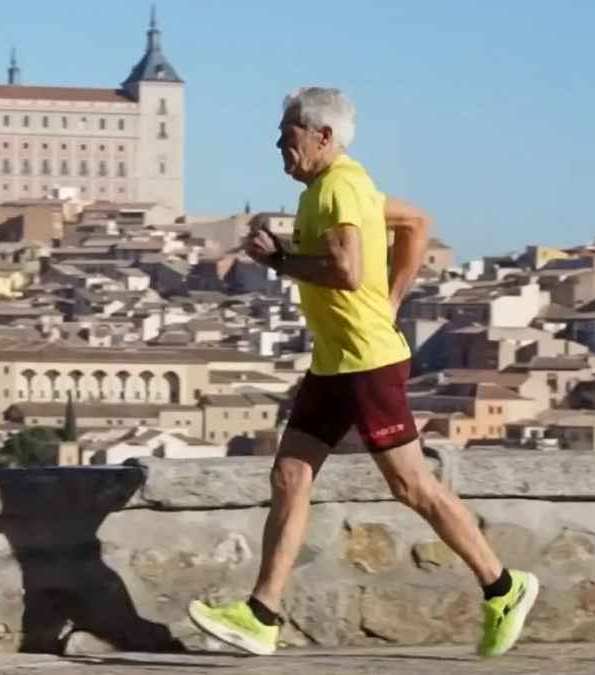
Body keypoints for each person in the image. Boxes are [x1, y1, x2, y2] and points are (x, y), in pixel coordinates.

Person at [187, 87, 538, 658]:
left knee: (411, 486)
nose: (278, 144)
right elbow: (417, 222)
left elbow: (347, 271)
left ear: (322, 136)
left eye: (288, 133)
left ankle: (504, 587)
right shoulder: (338, 188)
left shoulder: (340, 188)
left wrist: (278, 260)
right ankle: (261, 616)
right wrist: (391, 298)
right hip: (335, 361)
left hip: (366, 363)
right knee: (289, 477)